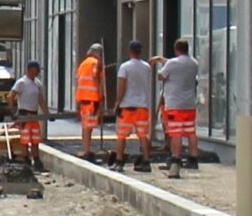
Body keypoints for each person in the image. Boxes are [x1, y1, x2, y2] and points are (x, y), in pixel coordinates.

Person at [160, 36, 202, 175]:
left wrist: (163, 63)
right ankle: (193, 159)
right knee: (191, 132)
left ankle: (175, 158)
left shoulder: (172, 63)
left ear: (176, 49)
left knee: (176, 132)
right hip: (189, 103)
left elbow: (161, 75)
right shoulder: (194, 63)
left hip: (174, 103)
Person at [114, 41, 155, 172]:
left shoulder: (125, 67)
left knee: (122, 135)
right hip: (142, 106)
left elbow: (121, 86)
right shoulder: (146, 67)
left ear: (129, 51)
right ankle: (146, 161)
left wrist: (117, 102)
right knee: (143, 135)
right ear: (140, 51)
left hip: (127, 106)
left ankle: (119, 161)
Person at [9, 59, 46, 164]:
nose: (36, 72)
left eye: (37, 71)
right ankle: (26, 158)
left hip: (34, 115)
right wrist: (13, 111)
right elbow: (11, 96)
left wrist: (46, 113)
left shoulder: (37, 83)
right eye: (35, 70)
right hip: (24, 114)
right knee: (25, 138)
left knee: (35, 138)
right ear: (29, 70)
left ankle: (36, 157)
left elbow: (41, 100)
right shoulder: (22, 82)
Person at [74, 43, 105, 162]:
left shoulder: (83, 63)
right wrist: (102, 97)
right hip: (92, 99)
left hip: (83, 99)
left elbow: (78, 81)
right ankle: (87, 152)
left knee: (86, 126)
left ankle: (86, 149)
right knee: (88, 126)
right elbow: (97, 78)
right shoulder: (96, 63)